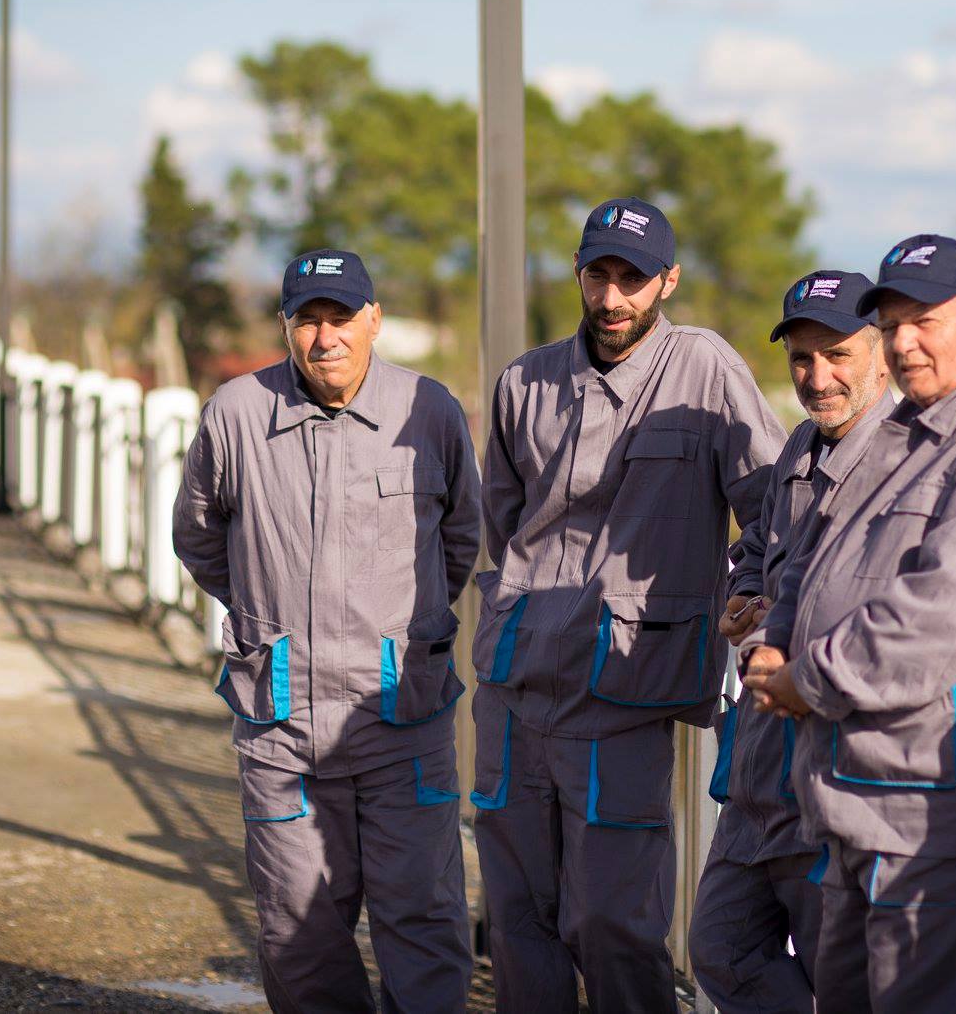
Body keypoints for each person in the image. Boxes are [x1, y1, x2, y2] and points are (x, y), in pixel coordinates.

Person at [742, 233, 956, 1014]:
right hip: (857, 802)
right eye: (891, 324)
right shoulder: (907, 429)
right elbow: (809, 558)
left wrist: (805, 680)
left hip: (937, 816)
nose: (902, 344)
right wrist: (774, 640)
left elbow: (942, 617)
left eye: (923, 320)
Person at [474, 197, 786, 1014]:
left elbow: (775, 504)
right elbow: (501, 523)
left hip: (626, 687)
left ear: (668, 280)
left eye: (632, 279)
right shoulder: (523, 381)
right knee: (517, 918)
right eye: (598, 274)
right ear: (578, 272)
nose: (611, 297)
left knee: (613, 921)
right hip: (514, 684)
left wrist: (748, 588)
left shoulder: (705, 368)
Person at [172, 248, 479, 1014]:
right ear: (285, 326)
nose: (324, 336)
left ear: (373, 319)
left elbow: (460, 539)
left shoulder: (429, 410)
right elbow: (199, 537)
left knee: (423, 915)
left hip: (401, 714)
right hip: (282, 719)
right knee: (296, 930)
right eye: (306, 319)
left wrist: (404, 627)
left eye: (340, 316)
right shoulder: (236, 413)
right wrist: (268, 612)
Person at [690, 270, 893, 1014]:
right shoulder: (799, 446)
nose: (817, 376)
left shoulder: (903, 462)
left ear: (880, 352)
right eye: (801, 358)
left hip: (832, 775)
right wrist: (745, 593)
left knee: (842, 979)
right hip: (757, 768)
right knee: (720, 948)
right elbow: (757, 547)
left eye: (837, 355)